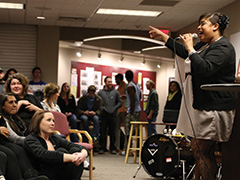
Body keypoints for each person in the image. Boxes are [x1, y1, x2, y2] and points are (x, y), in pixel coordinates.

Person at [149, 12, 238, 180]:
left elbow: (205, 68)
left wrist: (191, 48)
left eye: (202, 24)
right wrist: (164, 38)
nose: (198, 28)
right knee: (199, 151)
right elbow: (184, 52)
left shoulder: (223, 47)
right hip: (204, 106)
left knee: (201, 150)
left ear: (215, 26)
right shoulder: (206, 46)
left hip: (214, 109)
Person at [24, 110, 88, 180]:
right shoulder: (30, 139)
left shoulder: (53, 137)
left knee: (75, 150)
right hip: (42, 174)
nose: (52, 123)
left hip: (59, 173)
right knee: (62, 150)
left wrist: (83, 154)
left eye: (53, 121)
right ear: (38, 122)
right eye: (49, 120)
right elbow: (42, 154)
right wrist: (72, 157)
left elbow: (73, 145)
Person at [0, 94, 48, 180]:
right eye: (11, 102)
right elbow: (14, 138)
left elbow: (23, 134)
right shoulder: (4, 119)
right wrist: (34, 141)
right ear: (3, 106)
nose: (15, 105)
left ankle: (34, 176)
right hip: (6, 142)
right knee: (16, 150)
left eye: (16, 102)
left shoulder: (16, 119)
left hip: (12, 142)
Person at [97, 76, 122, 154]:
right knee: (103, 132)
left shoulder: (116, 92)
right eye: (109, 82)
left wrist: (115, 108)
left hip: (113, 115)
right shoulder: (100, 92)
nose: (110, 83)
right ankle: (102, 148)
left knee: (113, 132)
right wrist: (102, 108)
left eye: (111, 82)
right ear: (105, 82)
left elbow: (120, 102)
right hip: (104, 115)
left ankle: (112, 148)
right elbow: (97, 103)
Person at [123, 70, 141, 155]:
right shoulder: (136, 85)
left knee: (129, 131)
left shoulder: (129, 86)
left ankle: (128, 150)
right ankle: (137, 150)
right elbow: (139, 97)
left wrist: (131, 113)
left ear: (126, 77)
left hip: (133, 110)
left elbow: (133, 100)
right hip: (138, 109)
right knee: (136, 131)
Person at [115, 73, 127, 153]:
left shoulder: (126, 86)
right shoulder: (118, 88)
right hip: (119, 110)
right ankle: (117, 147)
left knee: (126, 129)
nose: (115, 81)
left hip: (124, 110)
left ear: (120, 79)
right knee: (117, 129)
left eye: (116, 79)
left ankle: (126, 148)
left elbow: (128, 97)